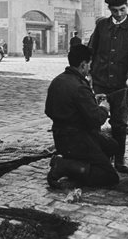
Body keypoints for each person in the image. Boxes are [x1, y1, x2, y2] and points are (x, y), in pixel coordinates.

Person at [45, 44, 119, 189]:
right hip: (77, 140)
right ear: (83, 65)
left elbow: (50, 110)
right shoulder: (79, 86)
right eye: (89, 65)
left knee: (112, 146)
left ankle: (76, 164)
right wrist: (104, 108)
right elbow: (96, 119)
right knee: (110, 177)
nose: (90, 68)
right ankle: (64, 166)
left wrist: (91, 101)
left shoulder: (58, 80)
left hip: (60, 137)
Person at [89, 0, 128, 173]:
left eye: (122, 10)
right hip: (100, 82)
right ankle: (98, 158)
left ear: (127, 7)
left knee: (119, 124)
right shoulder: (102, 26)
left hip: (122, 86)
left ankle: (119, 161)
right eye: (114, 10)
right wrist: (88, 72)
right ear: (109, 10)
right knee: (94, 120)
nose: (119, 14)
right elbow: (92, 50)